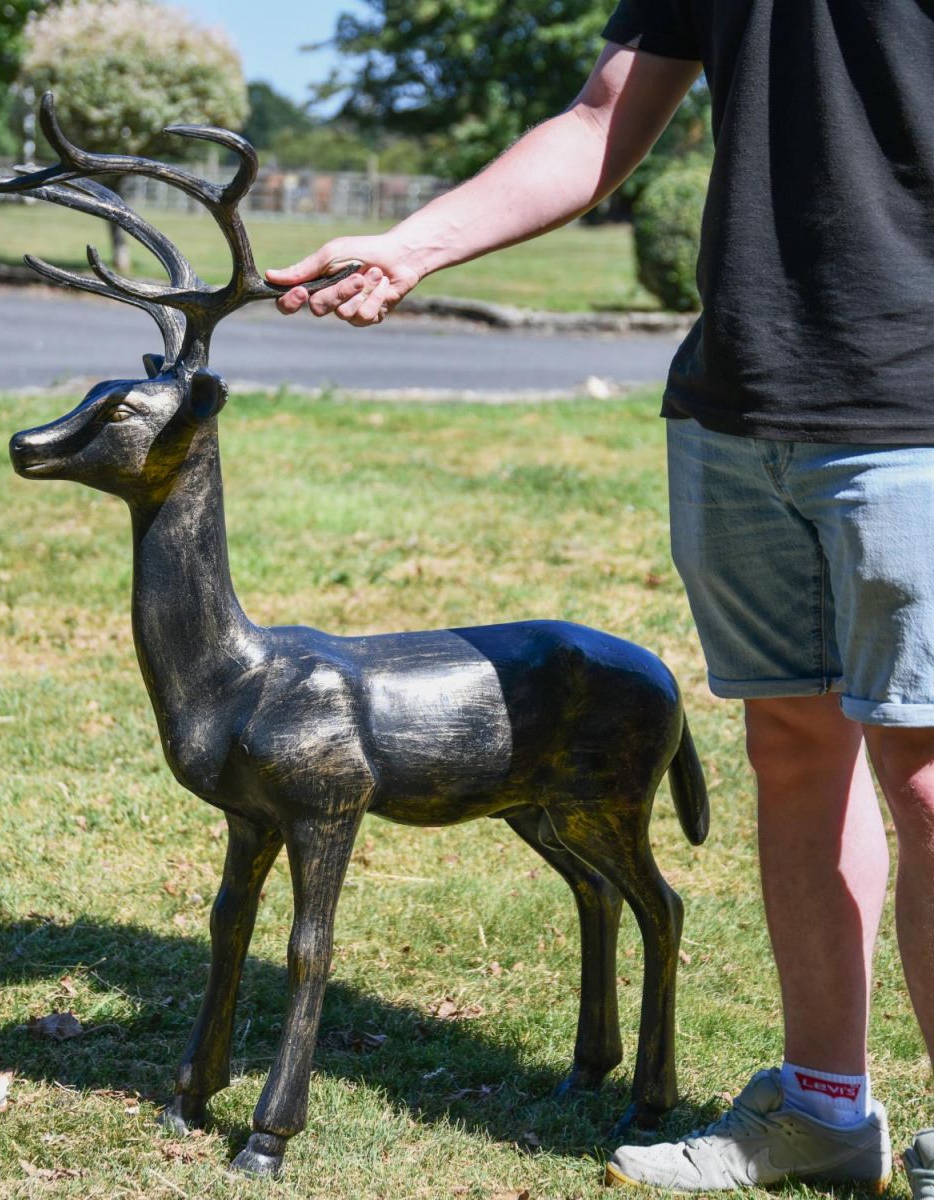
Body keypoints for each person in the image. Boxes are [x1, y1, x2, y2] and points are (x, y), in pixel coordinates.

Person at [265, 2, 934, 1194]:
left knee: (930, 780)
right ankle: (828, 1112)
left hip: (919, 410)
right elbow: (598, 120)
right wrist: (413, 244)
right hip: (744, 402)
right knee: (791, 747)